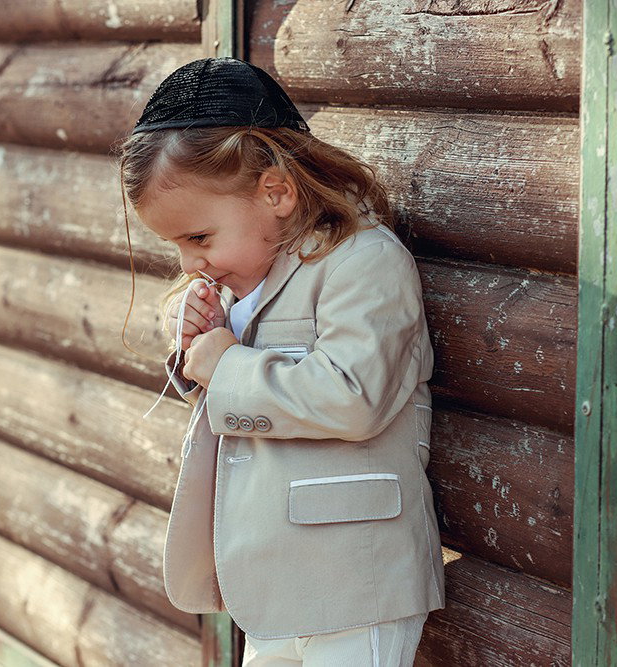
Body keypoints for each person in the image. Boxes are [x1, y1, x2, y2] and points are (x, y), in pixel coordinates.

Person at [113, 57, 445, 666]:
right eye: (176, 245)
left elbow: (353, 396)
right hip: (273, 579)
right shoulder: (251, 283)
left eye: (199, 238)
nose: (189, 264)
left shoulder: (363, 263)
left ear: (277, 193)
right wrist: (203, 347)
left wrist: (226, 364)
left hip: (353, 581)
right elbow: (245, 403)